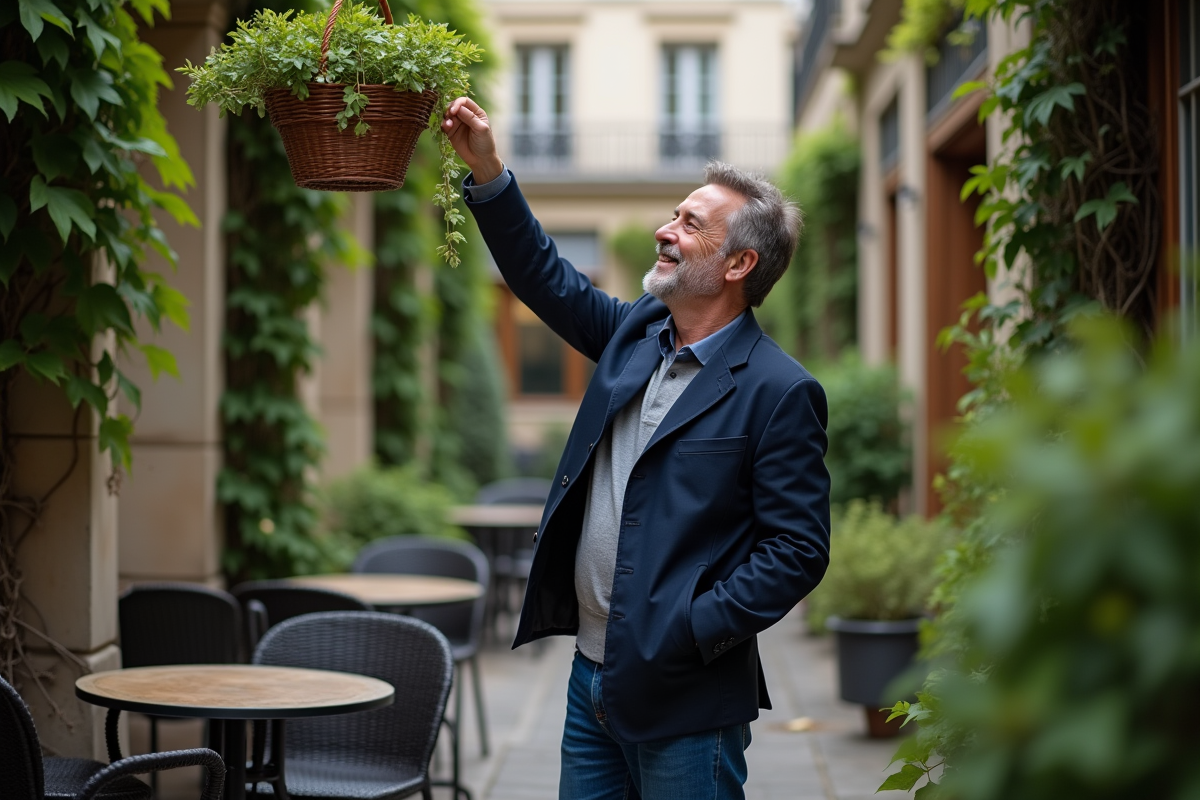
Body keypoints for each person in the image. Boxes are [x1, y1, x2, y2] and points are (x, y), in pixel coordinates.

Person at [442, 97, 832, 800]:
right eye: (673, 215)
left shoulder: (779, 389)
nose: (665, 230)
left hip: (686, 697)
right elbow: (545, 277)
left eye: (690, 224)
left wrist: (689, 627)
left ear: (741, 262)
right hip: (589, 676)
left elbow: (798, 549)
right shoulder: (636, 334)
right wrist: (490, 173)